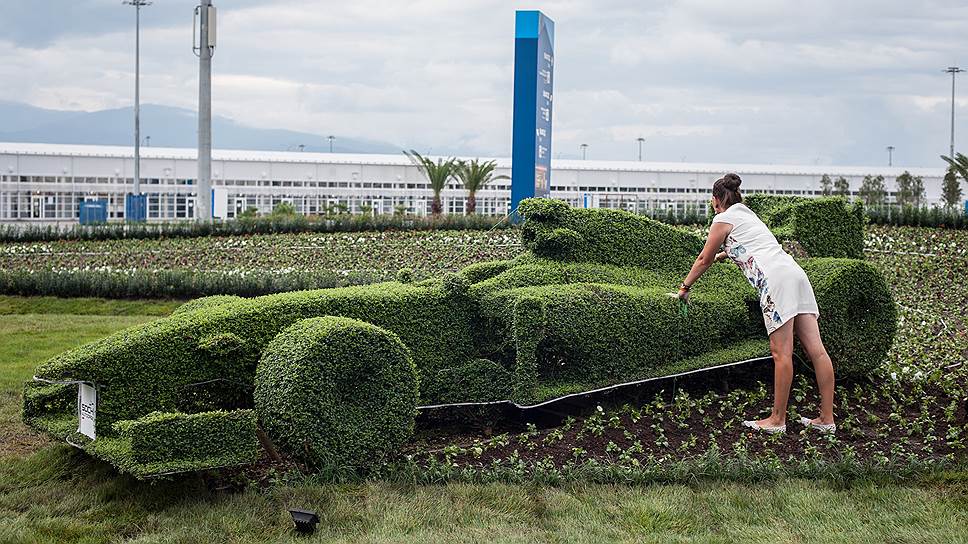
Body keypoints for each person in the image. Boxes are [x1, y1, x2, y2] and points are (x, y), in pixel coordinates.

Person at [677, 173, 836, 433]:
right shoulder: (748, 215)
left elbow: (703, 259)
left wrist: (685, 287)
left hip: (775, 282)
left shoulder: (722, 218)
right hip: (796, 275)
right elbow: (748, 247)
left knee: (781, 353)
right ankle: (827, 419)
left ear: (716, 200)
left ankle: (777, 420)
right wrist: (722, 255)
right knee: (817, 351)